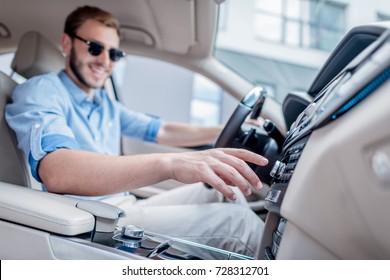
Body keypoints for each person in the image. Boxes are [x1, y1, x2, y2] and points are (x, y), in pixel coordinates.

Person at [5, 6, 268, 259]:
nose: (105, 61)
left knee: (223, 191)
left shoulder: (104, 103)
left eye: (114, 54)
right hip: (88, 218)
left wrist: (224, 130)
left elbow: (161, 129)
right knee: (238, 225)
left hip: (121, 205)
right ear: (66, 44)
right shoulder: (42, 91)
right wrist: (170, 163)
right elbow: (57, 171)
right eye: (95, 47)